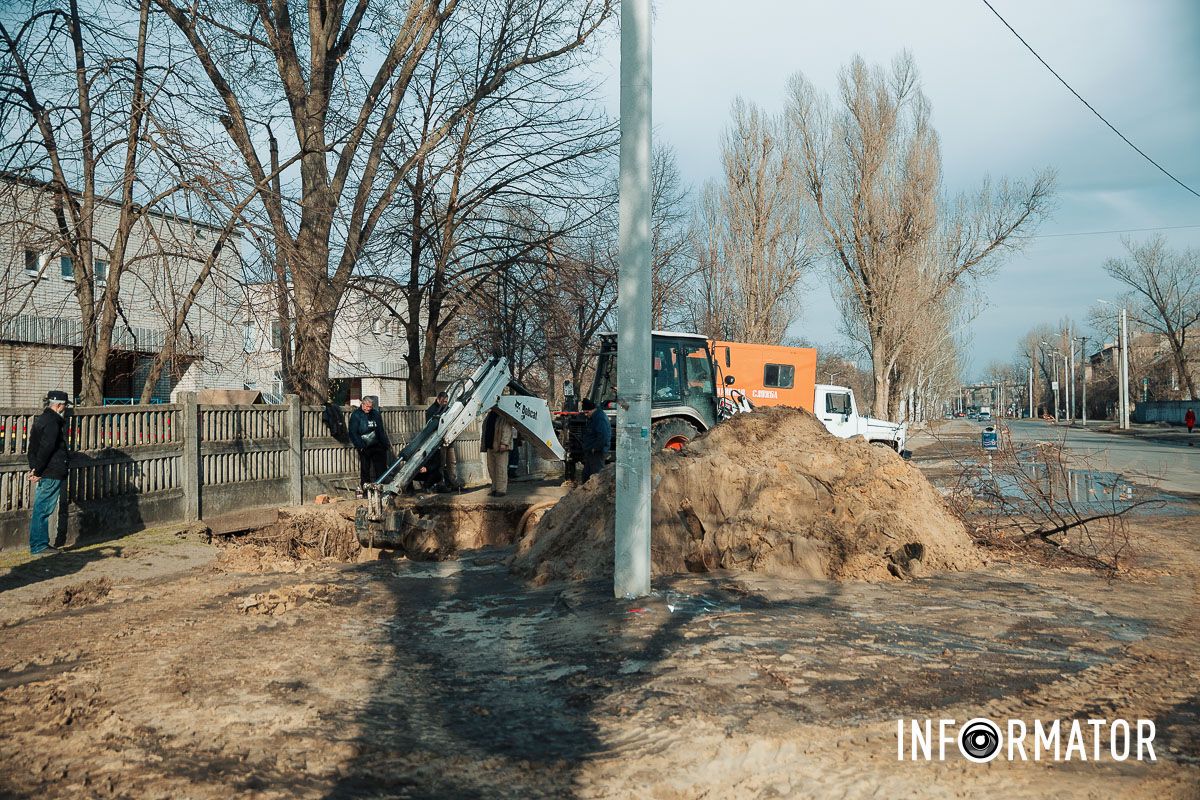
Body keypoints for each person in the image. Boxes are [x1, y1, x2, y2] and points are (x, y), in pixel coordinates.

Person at [27, 390, 71, 555]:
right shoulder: (53, 422)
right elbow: (47, 447)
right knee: (43, 509)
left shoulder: (41, 420)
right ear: (59, 405)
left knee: (40, 508)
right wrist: (38, 470)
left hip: (44, 469)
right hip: (51, 470)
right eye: (64, 405)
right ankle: (39, 545)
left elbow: (32, 448)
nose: (64, 408)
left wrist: (34, 468)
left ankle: (38, 544)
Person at [349, 396, 390, 498]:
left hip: (377, 445)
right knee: (365, 470)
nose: (368, 409)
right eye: (367, 407)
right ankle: (366, 492)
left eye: (370, 407)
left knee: (381, 469)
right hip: (364, 446)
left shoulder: (375, 414)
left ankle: (381, 491)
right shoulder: (356, 415)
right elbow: (353, 432)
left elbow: (380, 430)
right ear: (362, 404)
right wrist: (360, 446)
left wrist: (385, 444)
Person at [423, 392, 459, 490]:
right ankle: (441, 483)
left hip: (449, 438)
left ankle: (453, 482)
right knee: (441, 463)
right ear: (439, 399)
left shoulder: (448, 409)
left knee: (452, 462)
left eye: (447, 402)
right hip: (439, 441)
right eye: (444, 401)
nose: (445, 403)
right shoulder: (431, 411)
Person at [481, 407, 513, 497]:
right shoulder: (489, 415)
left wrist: (504, 443)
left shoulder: (504, 416)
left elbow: (507, 429)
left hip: (500, 446)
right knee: (492, 469)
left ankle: (501, 490)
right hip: (490, 446)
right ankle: (494, 488)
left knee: (501, 469)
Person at [579, 398, 611, 483]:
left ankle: (599, 493)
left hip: (597, 452)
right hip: (591, 452)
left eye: (587, 412)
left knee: (597, 475)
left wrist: (596, 448)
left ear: (592, 410)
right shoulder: (595, 417)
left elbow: (603, 435)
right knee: (586, 475)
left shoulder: (599, 418)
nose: (586, 415)